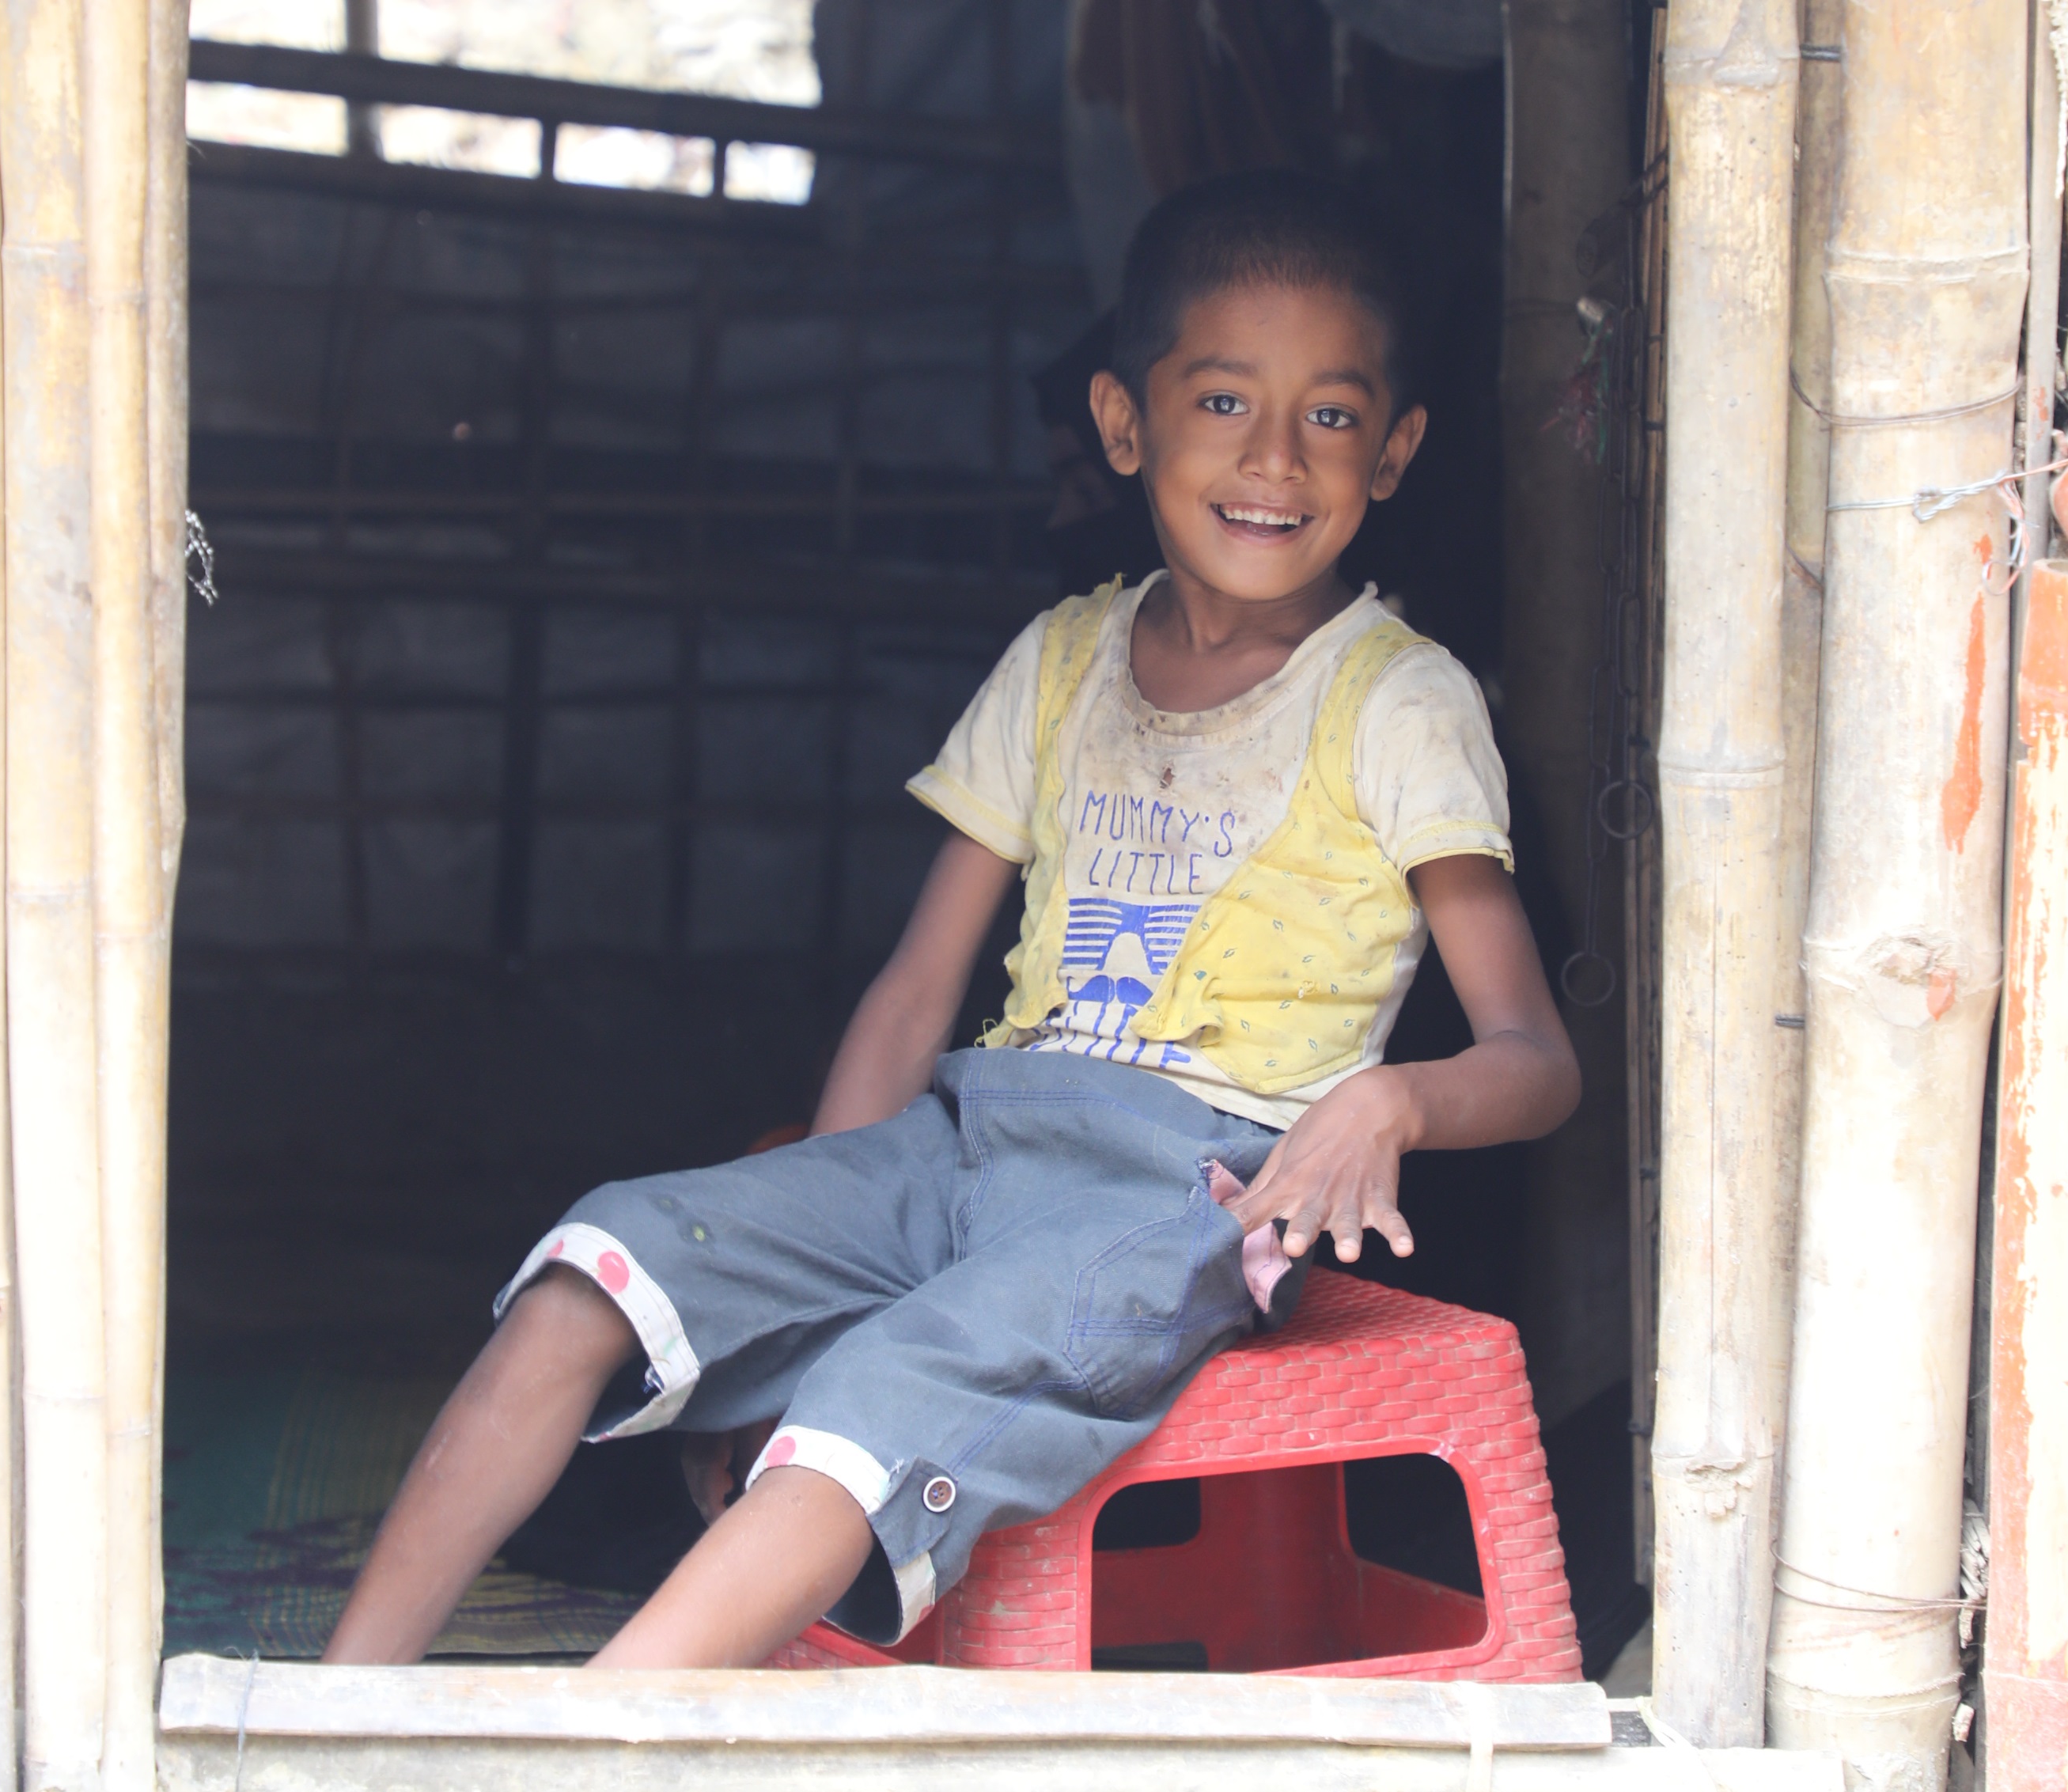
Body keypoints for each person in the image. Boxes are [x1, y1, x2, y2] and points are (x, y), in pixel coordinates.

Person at [321, 169, 1581, 1671]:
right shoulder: (1060, 661)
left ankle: (586, 1748)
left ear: (1394, 452)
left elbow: (1535, 1057)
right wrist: (834, 1193)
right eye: (1225, 401)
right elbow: (922, 992)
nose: (1274, 460)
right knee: (602, 1262)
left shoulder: (1400, 698)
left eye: (1329, 416)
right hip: (967, 1138)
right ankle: (335, 1715)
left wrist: (1393, 1098)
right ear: (1127, 424)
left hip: (1183, 1193)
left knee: (878, 1396)